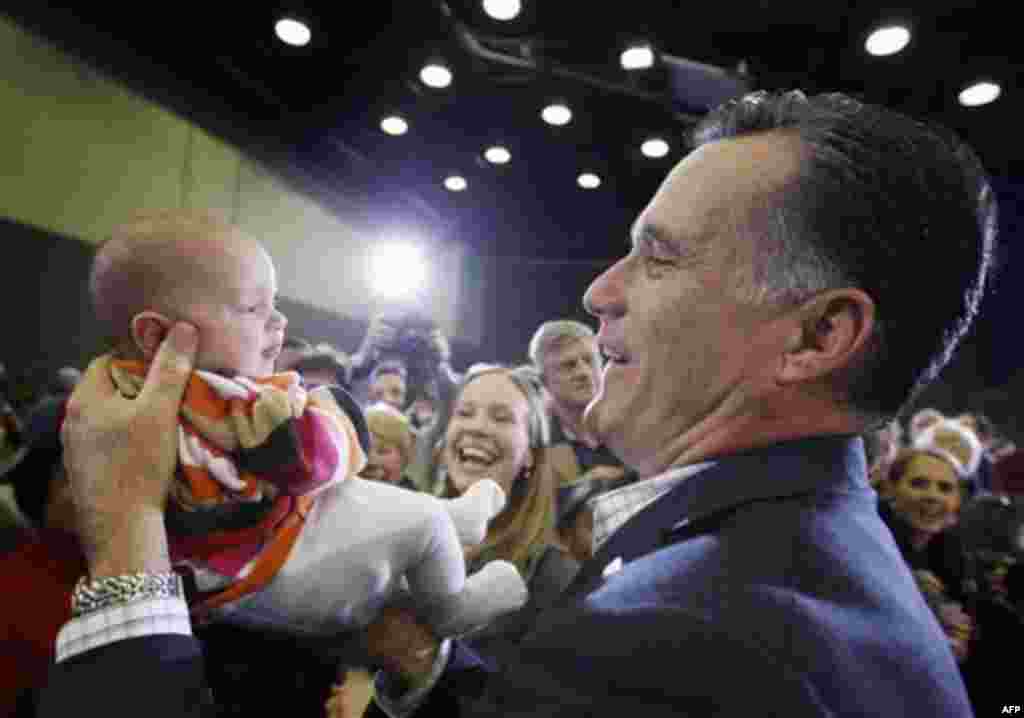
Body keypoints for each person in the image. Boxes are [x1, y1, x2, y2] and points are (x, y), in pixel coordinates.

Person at [44, 90, 993, 716]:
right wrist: (429, 663)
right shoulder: (764, 571)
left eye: (659, 256)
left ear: (818, 336)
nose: (600, 291)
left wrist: (126, 533)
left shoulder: (696, 640)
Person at [527, 320, 632, 560]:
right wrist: (587, 487)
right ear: (545, 382)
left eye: (590, 360)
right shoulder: (532, 448)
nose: (583, 372)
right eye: (569, 366)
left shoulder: (637, 421)